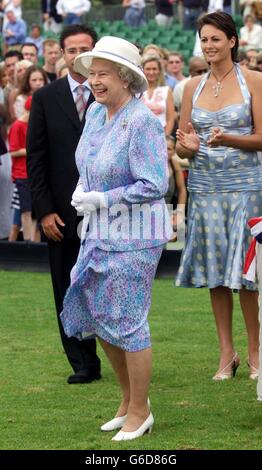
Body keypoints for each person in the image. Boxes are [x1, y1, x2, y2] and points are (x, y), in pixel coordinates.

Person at [60, 36, 171, 440]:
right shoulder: (94, 114)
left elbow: (155, 183)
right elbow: (89, 162)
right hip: (98, 228)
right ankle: (126, 402)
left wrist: (100, 197)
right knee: (97, 312)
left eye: (103, 73)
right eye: (92, 74)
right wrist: (81, 189)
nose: (95, 80)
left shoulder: (141, 120)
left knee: (125, 319)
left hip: (137, 234)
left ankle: (141, 412)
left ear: (126, 78)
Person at [175, 12, 262, 381]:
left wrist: (229, 139)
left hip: (246, 186)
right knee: (216, 274)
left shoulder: (255, 81)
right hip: (205, 187)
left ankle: (257, 352)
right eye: (204, 40)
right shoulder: (190, 87)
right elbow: (182, 148)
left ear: (232, 41)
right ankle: (227, 353)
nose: (209, 46)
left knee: (248, 273)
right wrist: (189, 147)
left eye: (215, 39)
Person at [26, 24, 101, 384]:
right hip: (60, 214)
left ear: (95, 51)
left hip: (105, 211)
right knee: (67, 290)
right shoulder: (45, 98)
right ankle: (83, 363)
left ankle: (118, 354)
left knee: (104, 287)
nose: (77, 56)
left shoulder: (111, 94)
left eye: (84, 49)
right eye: (71, 50)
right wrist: (43, 210)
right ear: (60, 54)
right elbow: (36, 158)